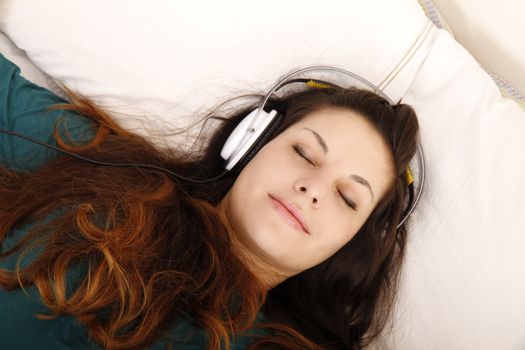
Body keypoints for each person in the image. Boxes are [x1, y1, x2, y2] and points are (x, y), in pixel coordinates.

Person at [0, 52, 420, 350]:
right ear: (250, 143)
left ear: (352, 245)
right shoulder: (111, 165)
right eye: (304, 154)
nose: (312, 188)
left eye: (347, 198)